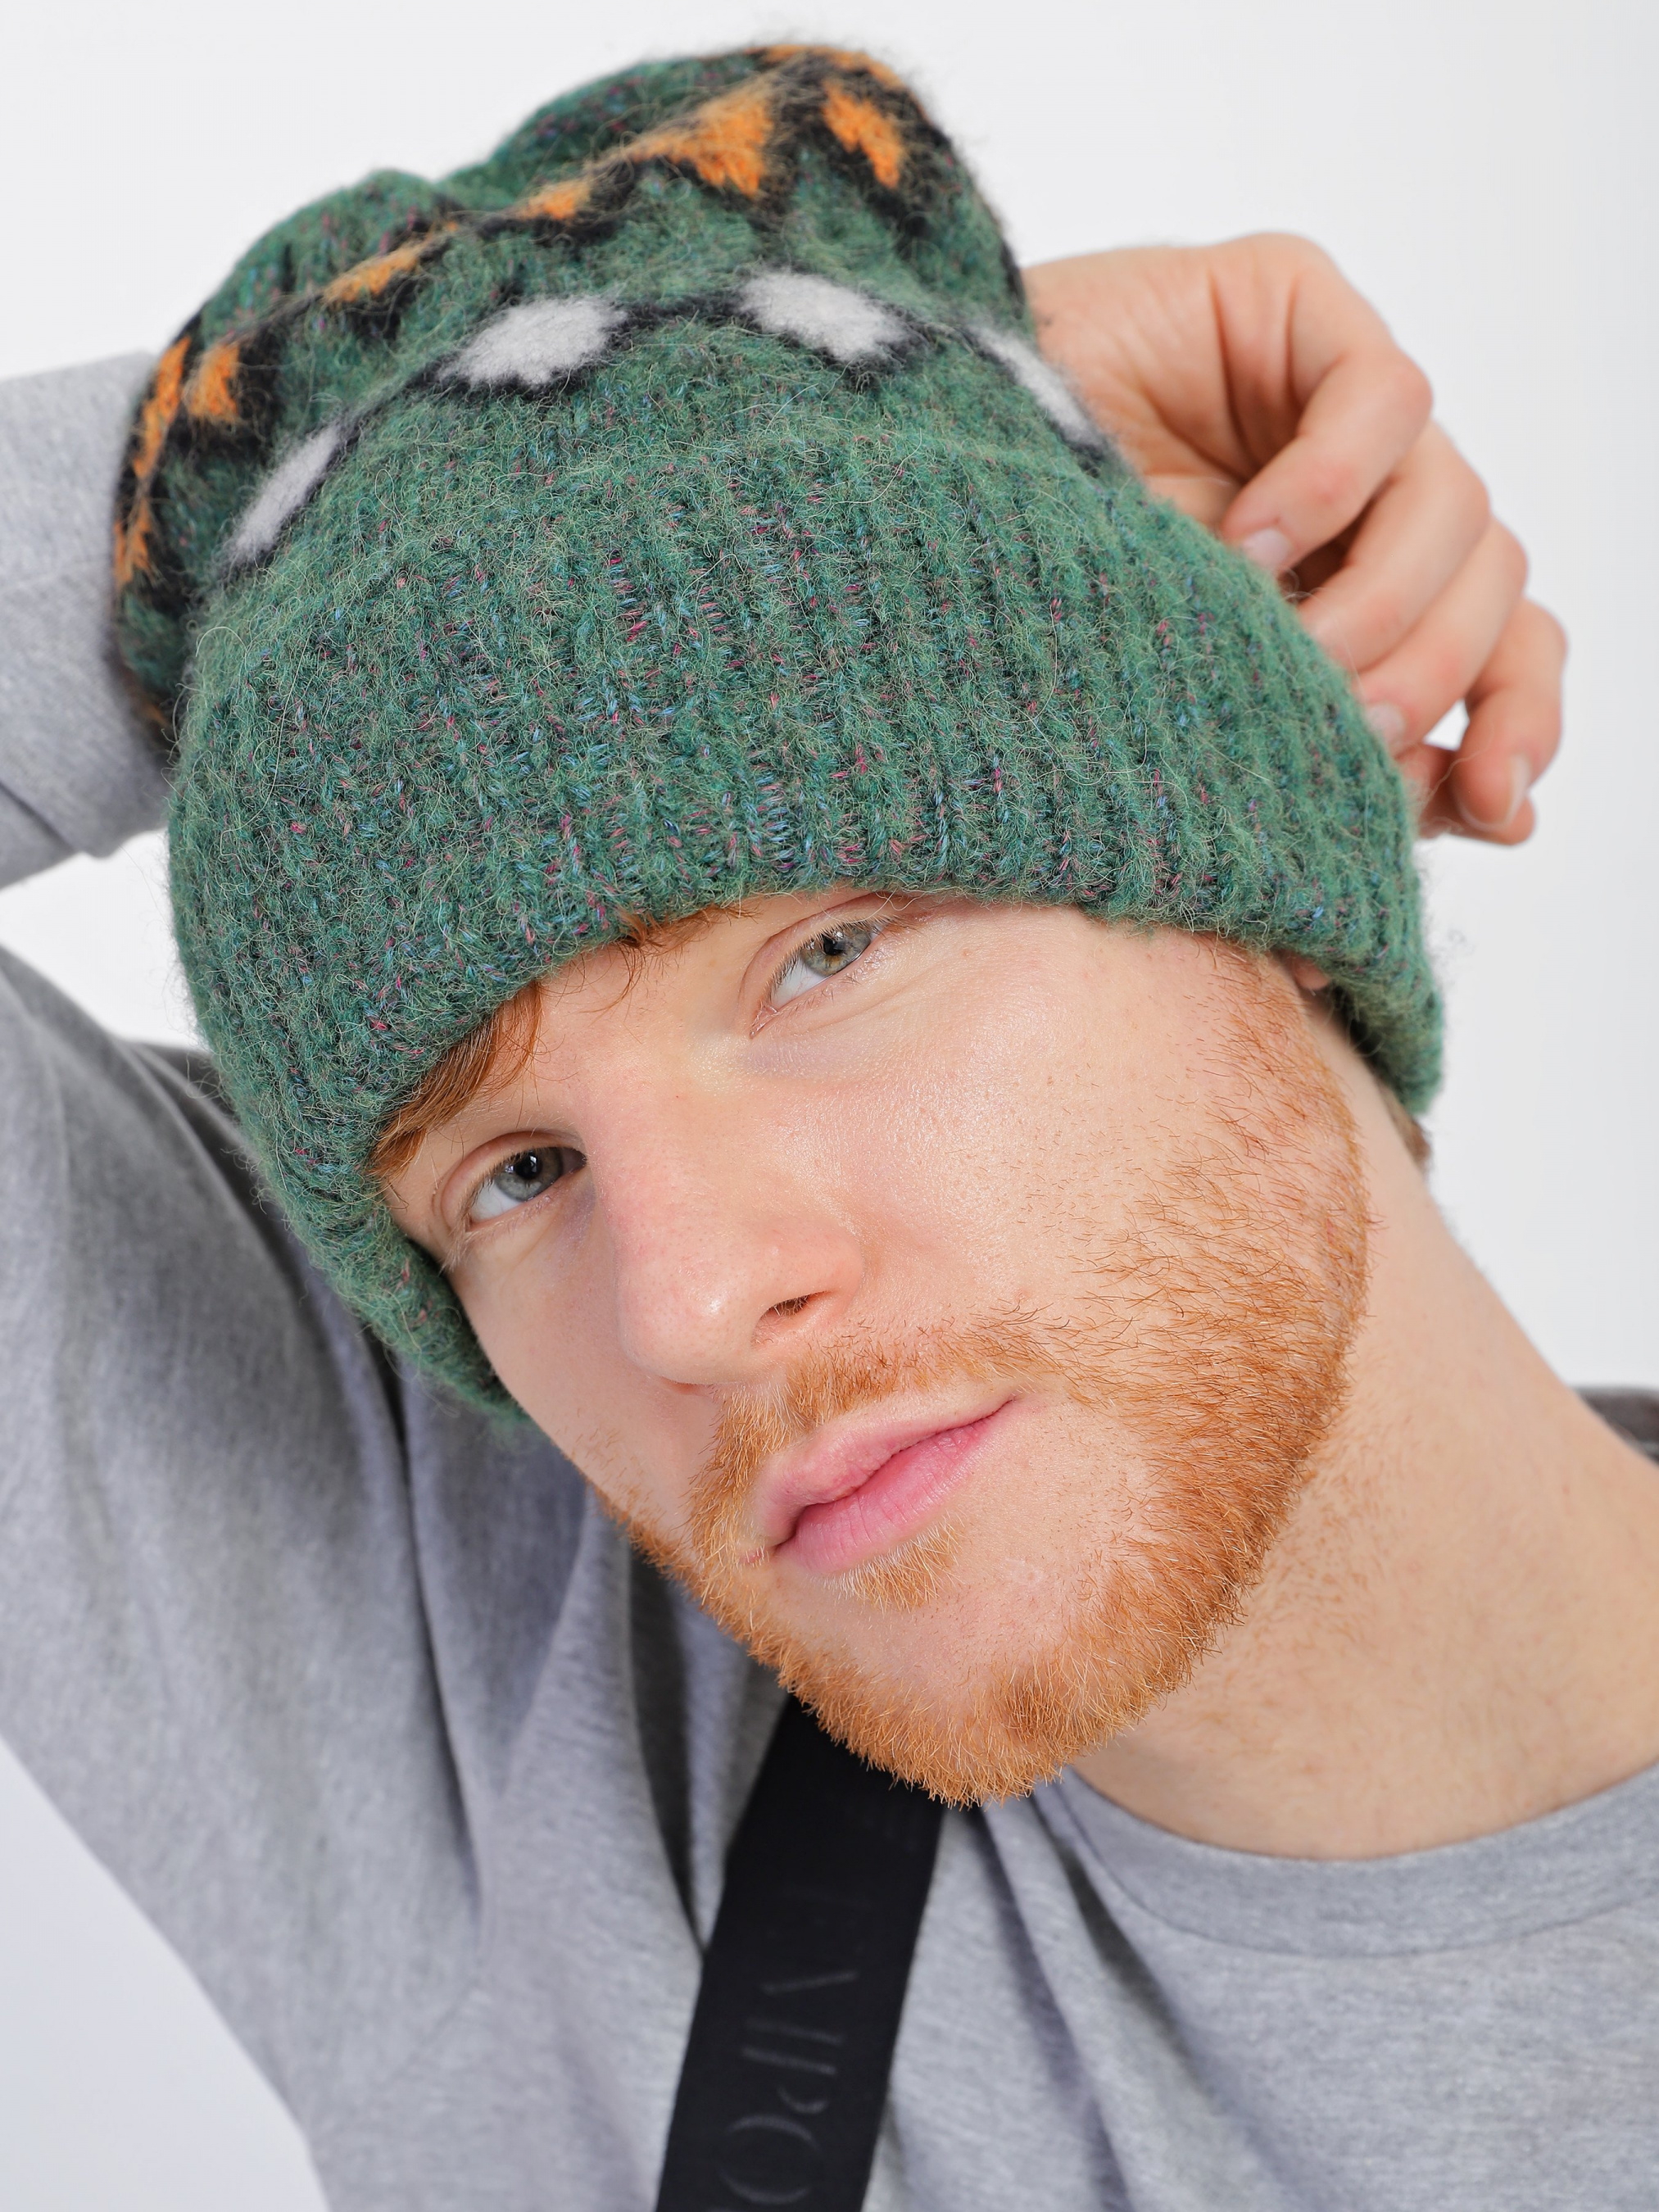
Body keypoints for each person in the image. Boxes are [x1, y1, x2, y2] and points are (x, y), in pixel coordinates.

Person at [1, 39, 1637, 2212]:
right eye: (517, 1175)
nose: (682, 1304)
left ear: (1265, 886)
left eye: (825, 956)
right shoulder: (492, 1737)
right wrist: (561, 370)